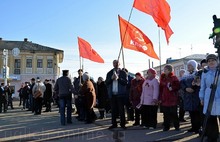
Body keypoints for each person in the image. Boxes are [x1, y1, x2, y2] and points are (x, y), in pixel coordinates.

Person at [199, 54, 220, 142]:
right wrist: (202, 98)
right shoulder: (205, 72)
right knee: (210, 118)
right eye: (209, 61)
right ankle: (212, 136)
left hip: (219, 95)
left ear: (217, 61)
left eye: (213, 60)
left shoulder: (219, 70)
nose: (211, 62)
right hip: (209, 96)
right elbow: (202, 86)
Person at [106, 60, 128, 129]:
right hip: (112, 94)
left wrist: (118, 79)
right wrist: (111, 79)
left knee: (121, 110)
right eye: (114, 63)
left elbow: (125, 83)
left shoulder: (123, 73)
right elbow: (106, 83)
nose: (115, 64)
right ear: (112, 64)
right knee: (113, 110)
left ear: (119, 64)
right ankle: (114, 124)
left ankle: (123, 124)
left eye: (117, 63)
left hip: (120, 94)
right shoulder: (109, 73)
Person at [180, 60, 201, 134]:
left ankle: (197, 128)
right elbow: (182, 84)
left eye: (190, 65)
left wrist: (193, 88)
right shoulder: (185, 75)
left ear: (194, 66)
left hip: (195, 95)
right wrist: (185, 88)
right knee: (191, 113)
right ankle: (193, 127)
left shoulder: (197, 73)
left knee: (196, 113)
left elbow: (198, 83)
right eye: (188, 65)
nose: (189, 67)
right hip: (188, 96)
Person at [159, 64, 180, 131]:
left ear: (169, 70)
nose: (164, 71)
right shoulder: (162, 78)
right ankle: (166, 126)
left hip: (172, 98)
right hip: (165, 98)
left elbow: (177, 86)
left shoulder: (174, 77)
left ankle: (176, 126)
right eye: (164, 70)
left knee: (174, 113)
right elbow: (161, 89)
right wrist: (160, 97)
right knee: (166, 114)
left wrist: (172, 88)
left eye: (165, 70)